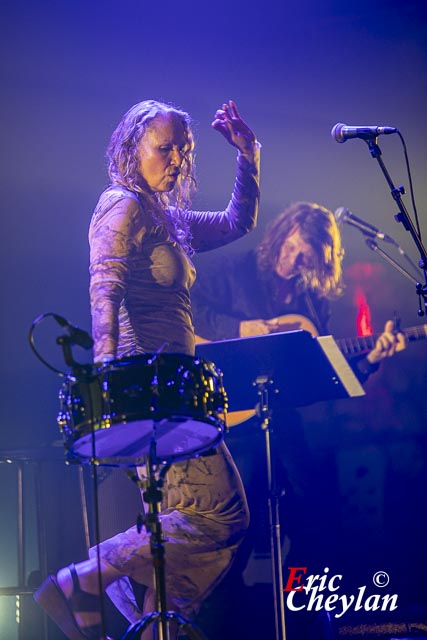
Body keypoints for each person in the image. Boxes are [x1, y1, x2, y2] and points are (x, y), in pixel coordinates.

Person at [34, 98, 261, 640]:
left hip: (174, 389)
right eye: (165, 147)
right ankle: (81, 577)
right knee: (222, 516)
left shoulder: (168, 218)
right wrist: (110, 377)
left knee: (193, 529)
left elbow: (237, 221)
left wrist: (248, 155)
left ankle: (158, 629)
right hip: (145, 389)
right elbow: (104, 287)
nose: (178, 159)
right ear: (131, 147)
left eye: (184, 149)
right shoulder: (122, 205)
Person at [190, 201, 406, 638]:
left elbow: (319, 375)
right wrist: (243, 328)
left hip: (282, 421)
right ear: (280, 237)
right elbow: (187, 312)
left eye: (307, 258)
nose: (295, 263)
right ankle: (219, 625)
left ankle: (305, 620)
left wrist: (369, 362)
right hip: (234, 422)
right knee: (238, 531)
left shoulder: (311, 299)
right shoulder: (235, 270)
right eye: (293, 251)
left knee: (317, 520)